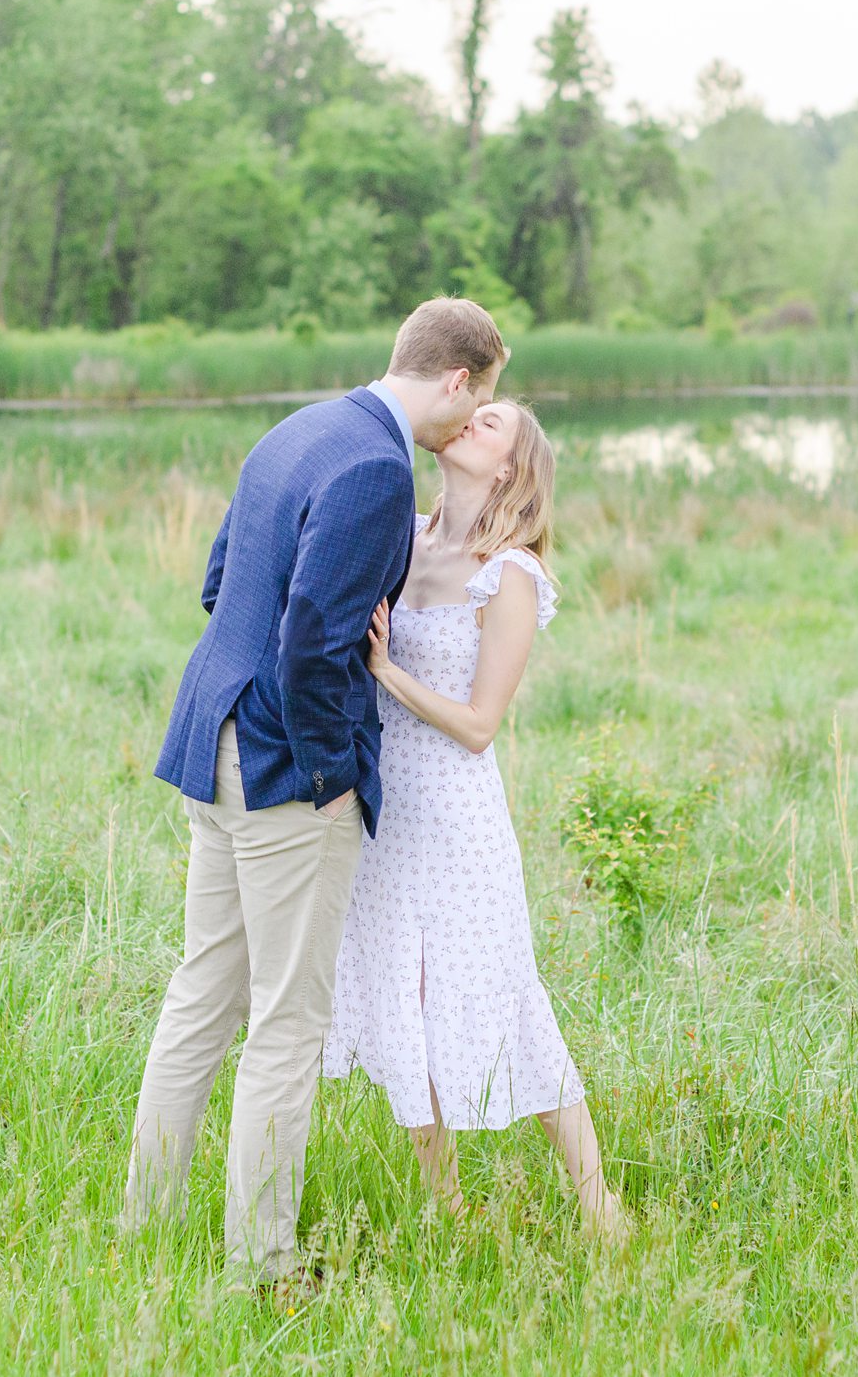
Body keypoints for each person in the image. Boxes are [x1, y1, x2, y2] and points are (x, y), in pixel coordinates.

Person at [122, 297, 508, 1296]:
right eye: (478, 402)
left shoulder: (300, 426)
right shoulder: (380, 467)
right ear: (458, 377)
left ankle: (145, 1224)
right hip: (284, 773)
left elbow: (221, 584)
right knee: (287, 1023)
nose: (468, 426)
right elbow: (310, 642)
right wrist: (329, 774)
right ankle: (264, 1264)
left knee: (201, 996)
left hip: (211, 737)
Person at [323, 400, 630, 1243]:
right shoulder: (406, 538)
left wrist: (384, 669)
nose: (468, 421)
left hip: (458, 816)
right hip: (387, 811)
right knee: (403, 992)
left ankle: (601, 1210)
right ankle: (446, 1208)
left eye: (491, 423)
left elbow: (478, 723)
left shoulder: (513, 574)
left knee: (503, 994)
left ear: (508, 468)